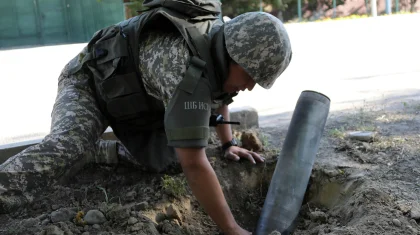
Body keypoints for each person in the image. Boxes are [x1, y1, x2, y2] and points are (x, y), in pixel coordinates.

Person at [0, 1, 292, 234]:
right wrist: (231, 229)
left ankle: (100, 152)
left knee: (166, 159)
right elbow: (195, 163)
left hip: (137, 101)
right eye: (250, 75)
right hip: (88, 83)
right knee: (67, 147)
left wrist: (227, 144)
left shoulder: (220, 46)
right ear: (233, 53)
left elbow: (221, 93)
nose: (251, 85)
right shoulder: (185, 73)